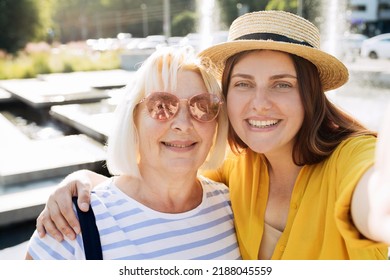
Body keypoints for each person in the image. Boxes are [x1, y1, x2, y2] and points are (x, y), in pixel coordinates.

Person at [35, 11, 390, 260]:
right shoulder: (235, 171)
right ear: (228, 97)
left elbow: (375, 194)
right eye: (243, 84)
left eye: (282, 84)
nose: (260, 104)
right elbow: (166, 180)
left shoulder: (351, 157)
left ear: (310, 95)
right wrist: (85, 182)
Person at [26, 46, 242, 260]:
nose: (183, 125)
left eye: (202, 107)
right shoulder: (69, 225)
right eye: (161, 106)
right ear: (133, 119)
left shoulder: (231, 206)